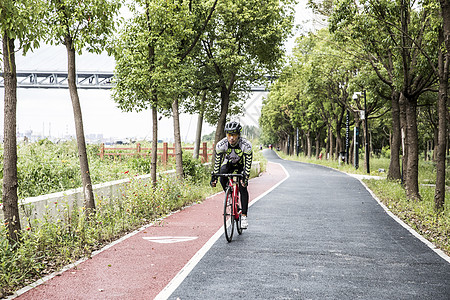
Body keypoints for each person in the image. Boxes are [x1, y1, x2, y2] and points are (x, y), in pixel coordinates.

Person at [210, 121, 253, 229]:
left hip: (241, 166)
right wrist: (214, 177)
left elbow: (248, 164)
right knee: (221, 174)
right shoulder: (221, 144)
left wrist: (245, 177)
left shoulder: (246, 145)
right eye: (229, 135)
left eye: (234, 135)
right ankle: (229, 194)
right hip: (228, 164)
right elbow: (217, 163)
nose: (231, 138)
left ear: (238, 135)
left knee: (243, 187)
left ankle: (244, 216)